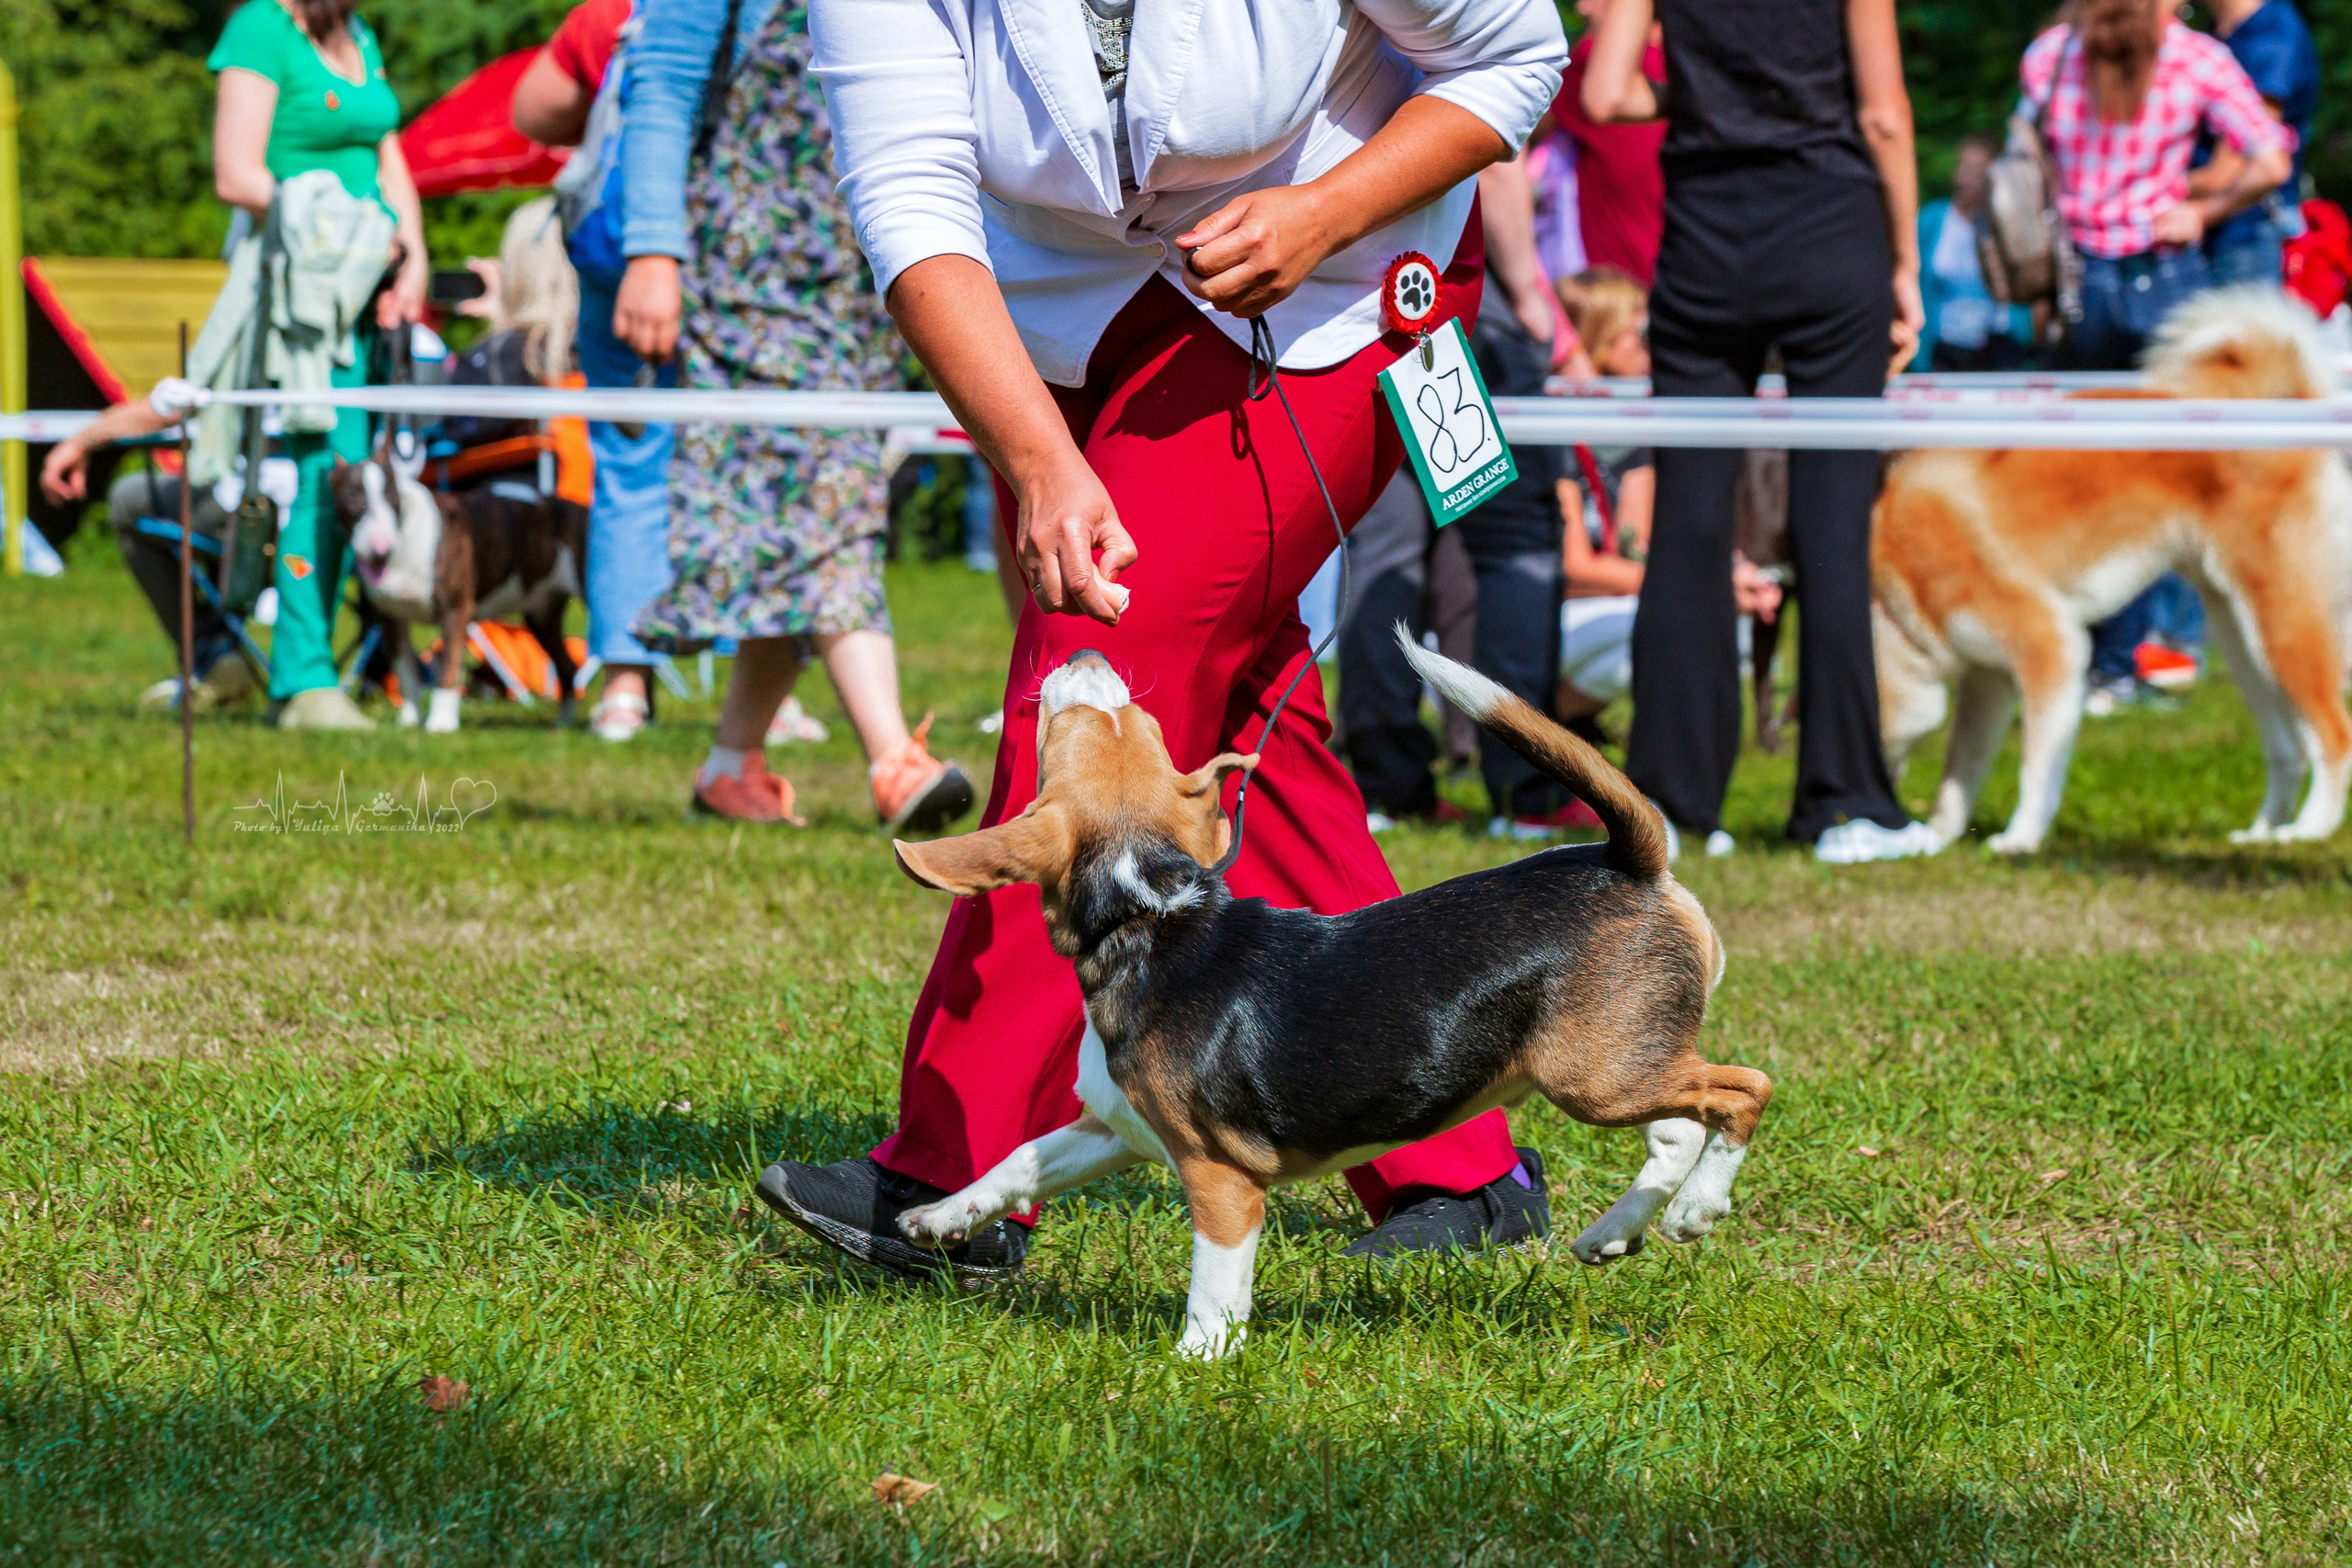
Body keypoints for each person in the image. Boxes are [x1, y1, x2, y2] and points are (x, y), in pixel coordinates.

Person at [756, 0, 1569, 1275]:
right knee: (1252, 731)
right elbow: (910, 197)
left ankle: (951, 1175)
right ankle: (1456, 1168)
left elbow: (1520, 56)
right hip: (1063, 320)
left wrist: (1327, 208)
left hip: (1335, 286)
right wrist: (1036, 459)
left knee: (1097, 692)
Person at [610, 0, 976, 832]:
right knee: (827, 498)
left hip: (866, 267)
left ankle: (730, 766)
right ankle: (893, 761)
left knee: (792, 521)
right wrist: (651, 252)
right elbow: (662, 85)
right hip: (748, 271)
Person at [1586, 0, 1938, 864]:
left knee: (1687, 528)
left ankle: (1667, 805)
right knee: (1833, 521)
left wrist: (1703, 101)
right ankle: (1844, 801)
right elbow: (1884, 115)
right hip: (1831, 230)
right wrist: (1906, 261)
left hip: (1707, 239)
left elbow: (1603, 91)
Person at [2021, 0, 2290, 712]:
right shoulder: (2195, 58)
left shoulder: (2051, 55)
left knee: (2079, 474)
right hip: (2162, 278)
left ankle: (2091, 655)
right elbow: (2271, 158)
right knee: (2165, 478)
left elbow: (2032, 154)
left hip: (2077, 283)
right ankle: (2146, 653)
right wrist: (2200, 210)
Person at [209, 0, 428, 731]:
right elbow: (238, 175)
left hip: (366, 299)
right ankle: (303, 679)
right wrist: (355, 232)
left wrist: (412, 255)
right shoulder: (262, 30)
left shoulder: (356, 32)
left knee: (353, 474)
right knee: (325, 473)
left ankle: (304, 668)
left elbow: (386, 147)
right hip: (301, 300)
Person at [512, 0, 680, 745]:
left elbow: (534, 110)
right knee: (742, 461)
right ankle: (765, 688)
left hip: (614, 258)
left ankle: (623, 686)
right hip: (722, 252)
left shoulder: (614, 11)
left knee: (628, 465)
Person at [1554, 271, 1782, 745]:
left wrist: (1725, 572)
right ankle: (1534, 715)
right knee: (1678, 620)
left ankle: (1562, 721)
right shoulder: (1552, 425)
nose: (1650, 344)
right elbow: (1573, 566)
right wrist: (1702, 584)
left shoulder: (1635, 432)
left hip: (1601, 608)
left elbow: (1637, 548)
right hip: (1547, 612)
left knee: (1716, 624)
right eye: (1638, 331)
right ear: (1599, 336)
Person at [40, 399, 264, 715]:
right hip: (326, 517)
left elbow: (171, 404)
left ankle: (209, 653)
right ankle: (352, 671)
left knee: (128, 498)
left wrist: (79, 441)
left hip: (255, 516)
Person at [2199, 0, 2319, 289]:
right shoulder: (2225, 28)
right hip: (2219, 231)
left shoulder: (2272, 37)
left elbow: (2229, 171)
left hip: (2245, 237)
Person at [1550, 0, 1667, 288]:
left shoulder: (1591, 65)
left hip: (1615, 283)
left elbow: (1525, 120)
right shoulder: (1695, 71)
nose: (1582, 9)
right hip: (1684, 267)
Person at [1916, 135, 2035, 372]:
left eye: (1979, 170)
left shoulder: (2009, 224)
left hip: (2001, 348)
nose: (1970, 178)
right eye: (1965, 168)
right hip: (1944, 348)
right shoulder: (1929, 221)